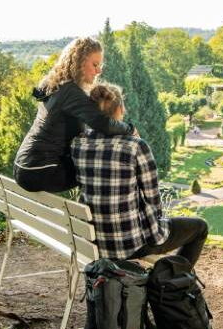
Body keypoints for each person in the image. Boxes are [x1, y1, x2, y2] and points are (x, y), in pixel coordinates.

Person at [72, 83, 208, 265]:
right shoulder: (135, 146)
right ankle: (174, 279)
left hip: (91, 241)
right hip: (128, 245)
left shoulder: (78, 143)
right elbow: (153, 197)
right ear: (120, 109)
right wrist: (157, 226)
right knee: (200, 228)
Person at [13, 37, 136, 192]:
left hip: (23, 167)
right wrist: (130, 129)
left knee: (92, 161)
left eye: (100, 65)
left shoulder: (55, 84)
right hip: (42, 170)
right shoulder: (70, 91)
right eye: (95, 65)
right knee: (106, 165)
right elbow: (103, 123)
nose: (99, 71)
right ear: (78, 62)